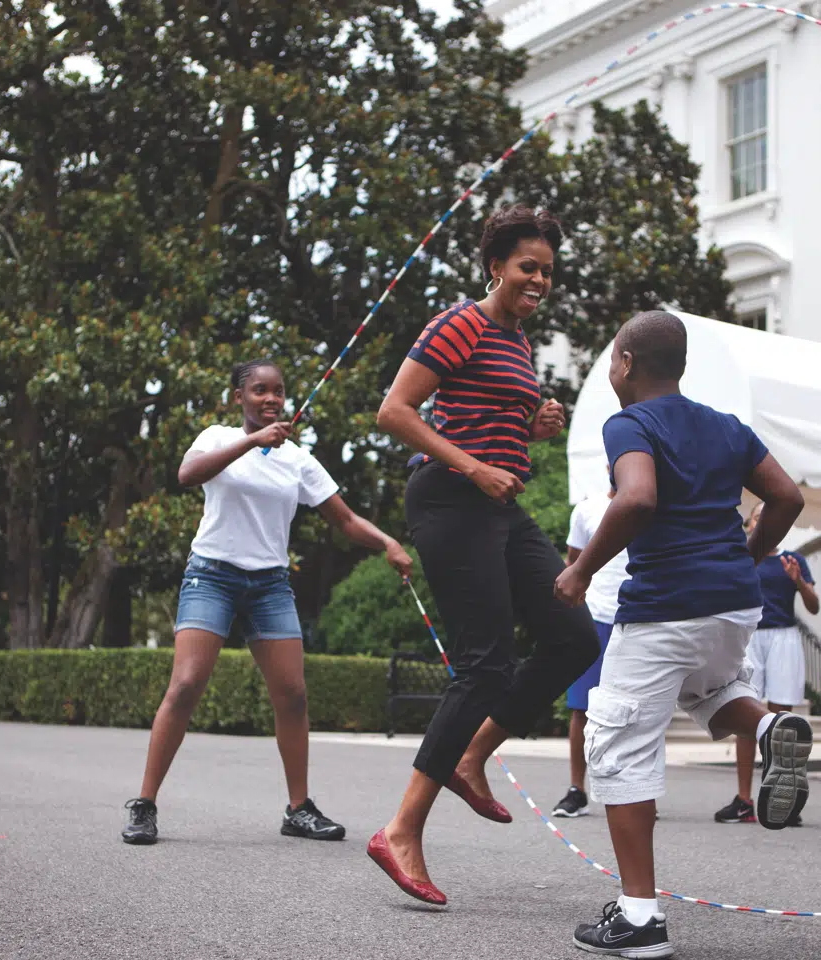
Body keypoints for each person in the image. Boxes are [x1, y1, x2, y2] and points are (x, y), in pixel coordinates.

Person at [552, 310, 812, 960]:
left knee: (616, 746)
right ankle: (767, 728)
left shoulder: (629, 423)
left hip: (665, 605)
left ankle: (640, 918)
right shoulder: (726, 426)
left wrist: (581, 571)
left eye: (612, 360)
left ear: (626, 362)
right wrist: (747, 555)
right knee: (713, 688)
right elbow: (787, 497)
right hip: (733, 604)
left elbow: (636, 498)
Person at [367, 204, 600, 906]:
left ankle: (473, 754)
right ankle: (401, 830)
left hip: (496, 503)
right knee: (485, 661)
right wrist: (472, 467)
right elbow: (396, 411)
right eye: (528, 267)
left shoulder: (519, 340)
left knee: (571, 636)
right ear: (496, 265)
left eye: (548, 271)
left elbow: (488, 420)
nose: (539, 279)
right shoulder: (460, 322)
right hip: (448, 499)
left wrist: (533, 422)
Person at [122, 359, 413, 845]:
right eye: (260, 391)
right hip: (211, 575)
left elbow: (344, 520)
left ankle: (298, 809)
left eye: (278, 391)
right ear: (239, 397)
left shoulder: (298, 460)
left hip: (269, 585)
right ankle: (145, 804)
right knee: (188, 683)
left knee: (294, 695)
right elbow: (187, 474)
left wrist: (387, 542)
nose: (271, 399)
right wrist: (251, 442)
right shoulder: (217, 437)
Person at [714, 501, 819, 826]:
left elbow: (813, 607)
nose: (763, 523)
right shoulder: (740, 555)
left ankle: (781, 800)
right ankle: (745, 799)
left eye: (768, 518)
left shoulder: (793, 559)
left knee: (784, 721)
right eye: (758, 518)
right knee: (747, 715)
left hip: (783, 637)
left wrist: (798, 580)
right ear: (750, 524)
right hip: (748, 636)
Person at [552, 472, 632, 819]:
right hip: (595, 616)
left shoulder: (648, 506)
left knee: (639, 712)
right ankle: (576, 790)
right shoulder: (586, 509)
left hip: (636, 618)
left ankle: (635, 791)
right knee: (581, 708)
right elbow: (573, 563)